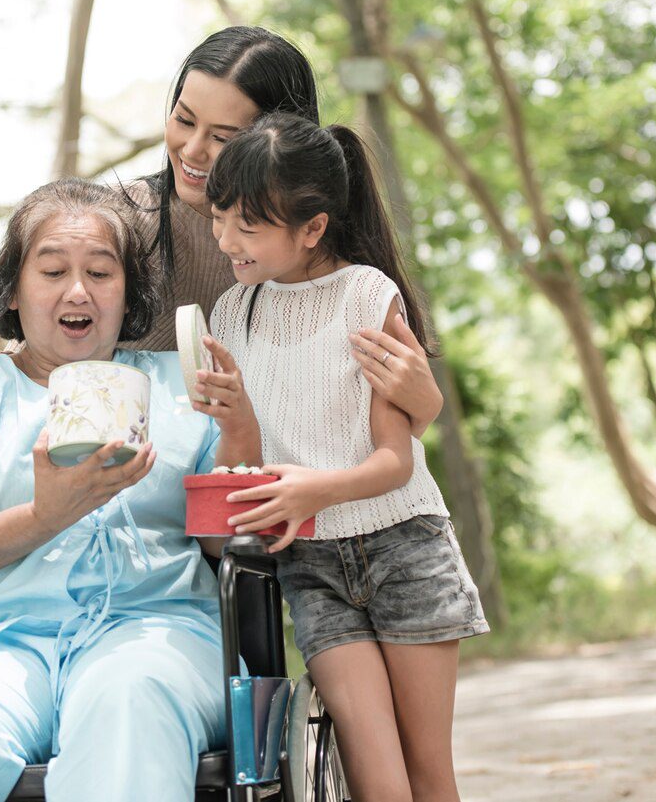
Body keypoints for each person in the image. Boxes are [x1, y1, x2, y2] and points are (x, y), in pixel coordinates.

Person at [0, 26, 444, 513]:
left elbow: (365, 421)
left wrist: (426, 403)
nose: (193, 151)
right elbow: (49, 354)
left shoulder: (320, 262)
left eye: (224, 137)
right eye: (183, 120)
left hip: (291, 510)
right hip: (153, 498)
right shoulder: (126, 225)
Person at [0, 179, 261, 802]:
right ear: (14, 292)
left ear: (128, 295)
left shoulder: (182, 385)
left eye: (101, 272)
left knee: (128, 695)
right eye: (52, 271)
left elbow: (221, 542)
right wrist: (46, 515)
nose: (78, 291)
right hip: (3, 644)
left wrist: (236, 430)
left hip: (157, 631)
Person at [203, 111, 490, 802]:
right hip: (311, 567)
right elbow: (236, 455)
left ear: (312, 228)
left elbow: (396, 460)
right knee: (377, 779)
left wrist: (313, 489)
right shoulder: (230, 313)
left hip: (404, 548)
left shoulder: (367, 296)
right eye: (220, 218)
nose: (226, 238)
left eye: (248, 224)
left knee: (427, 774)